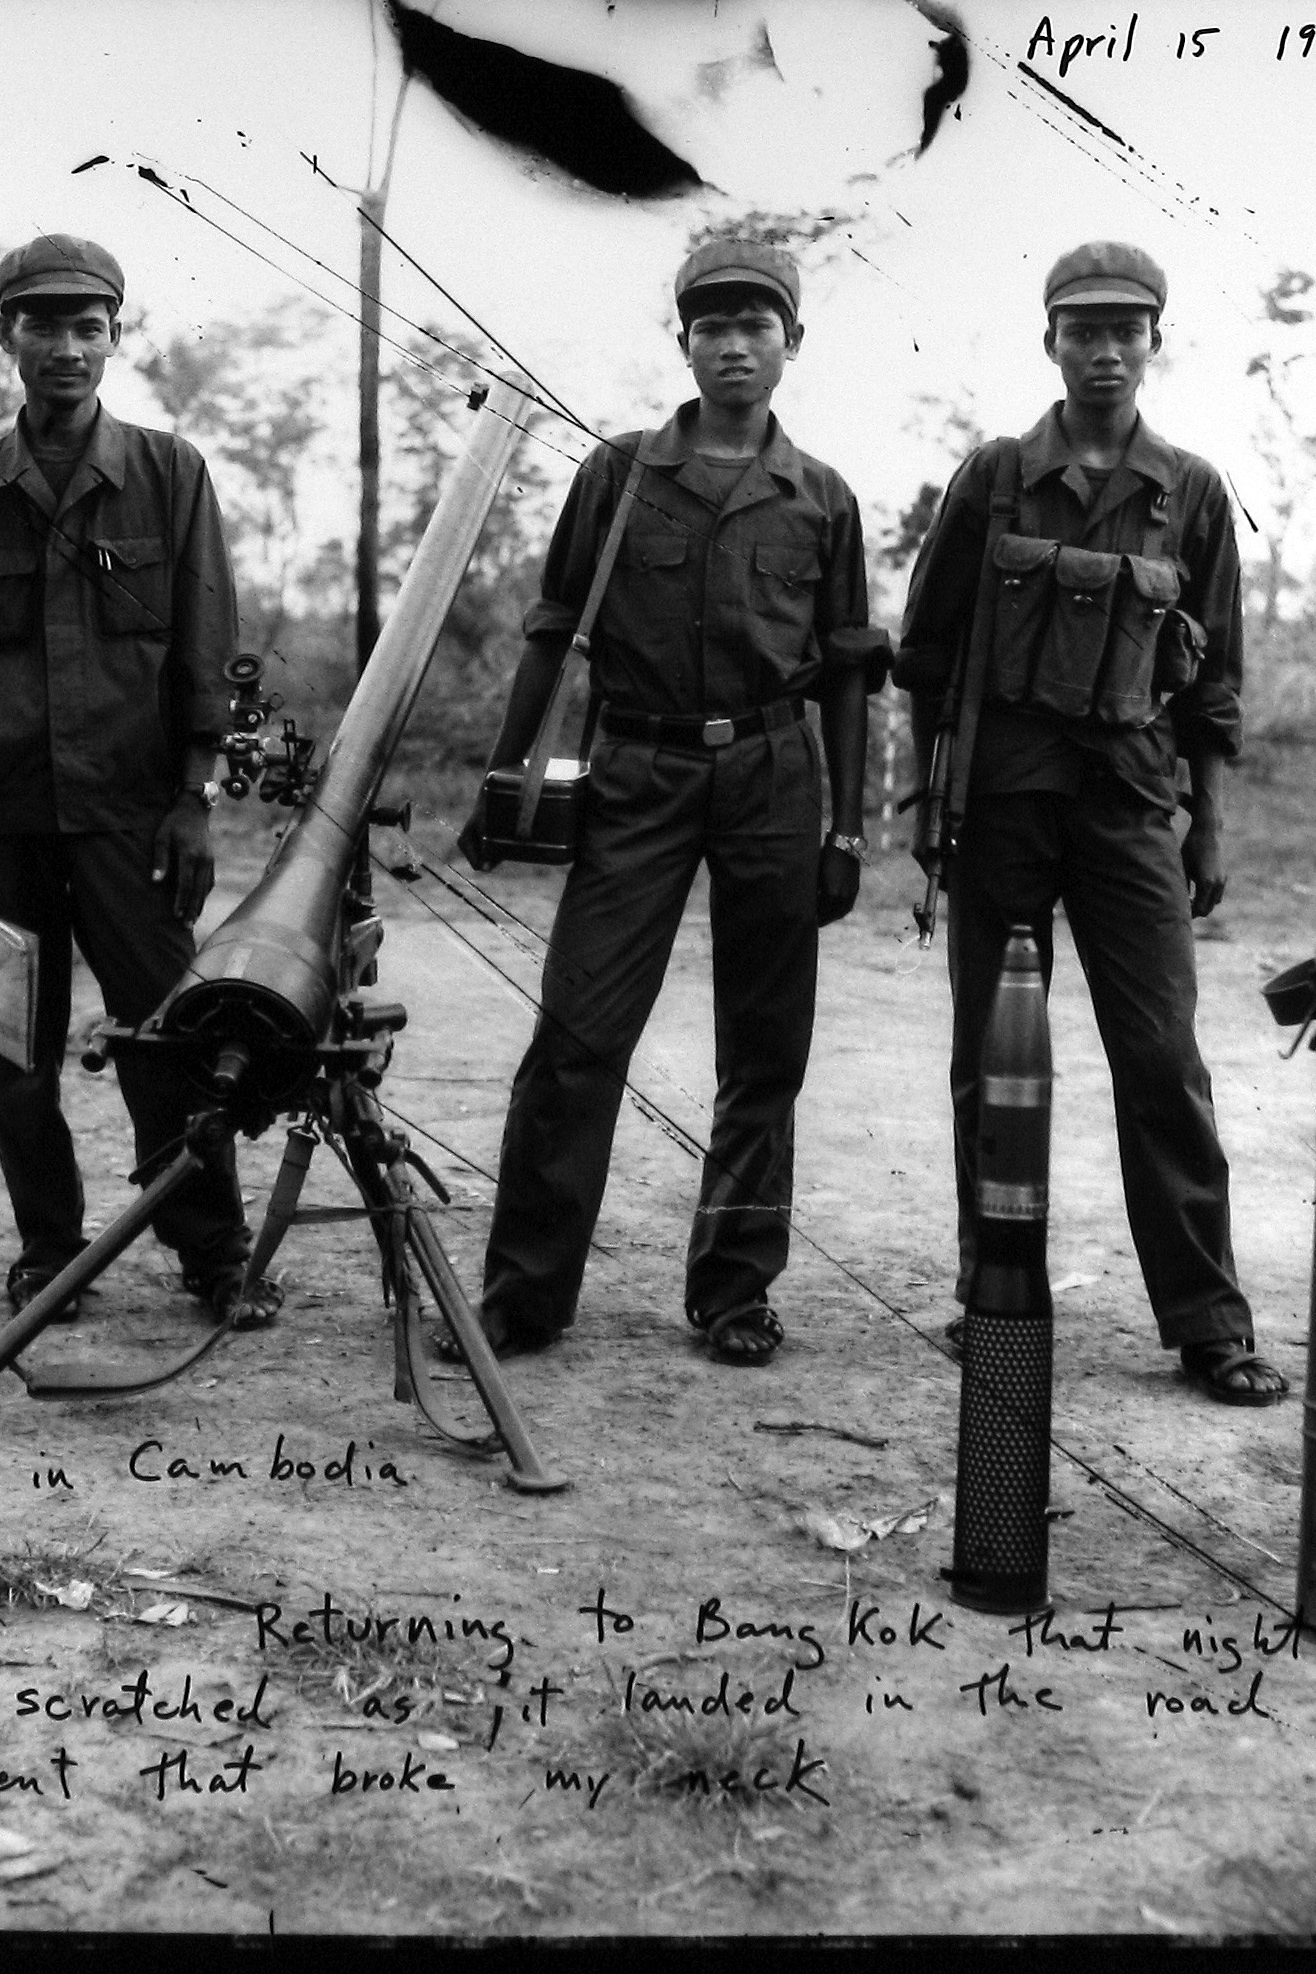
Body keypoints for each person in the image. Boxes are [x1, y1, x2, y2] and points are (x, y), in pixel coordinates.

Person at [456, 236, 885, 1369]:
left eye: (757, 326)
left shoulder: (823, 498)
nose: (734, 346)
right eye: (712, 326)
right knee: (577, 1036)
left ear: (793, 343)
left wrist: (846, 828)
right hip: (635, 772)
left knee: (764, 1049)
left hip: (774, 778)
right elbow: (556, 631)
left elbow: (847, 668)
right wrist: (506, 777)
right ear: (683, 342)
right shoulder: (618, 473)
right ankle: (524, 1297)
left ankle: (735, 1292)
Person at [896, 240, 1286, 1404]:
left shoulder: (1194, 491)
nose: (1105, 351)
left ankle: (1209, 1322)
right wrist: (927, 801)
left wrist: (1206, 826)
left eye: (1126, 330)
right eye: (1083, 330)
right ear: (1051, 341)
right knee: (994, 1062)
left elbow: (1214, 685)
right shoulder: (997, 476)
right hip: (1003, 807)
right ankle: (994, 1293)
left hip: (1128, 812)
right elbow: (925, 652)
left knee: (1163, 1060)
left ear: (1153, 342)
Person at [0, 235, 270, 1328]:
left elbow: (206, 651)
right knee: (20, 1053)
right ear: (6, 334)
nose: (66, 347)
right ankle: (50, 1256)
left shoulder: (168, 475)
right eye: (43, 325)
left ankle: (214, 1256)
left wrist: (193, 802)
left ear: (116, 336)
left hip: (129, 816)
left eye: (88, 326)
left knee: (168, 1044)